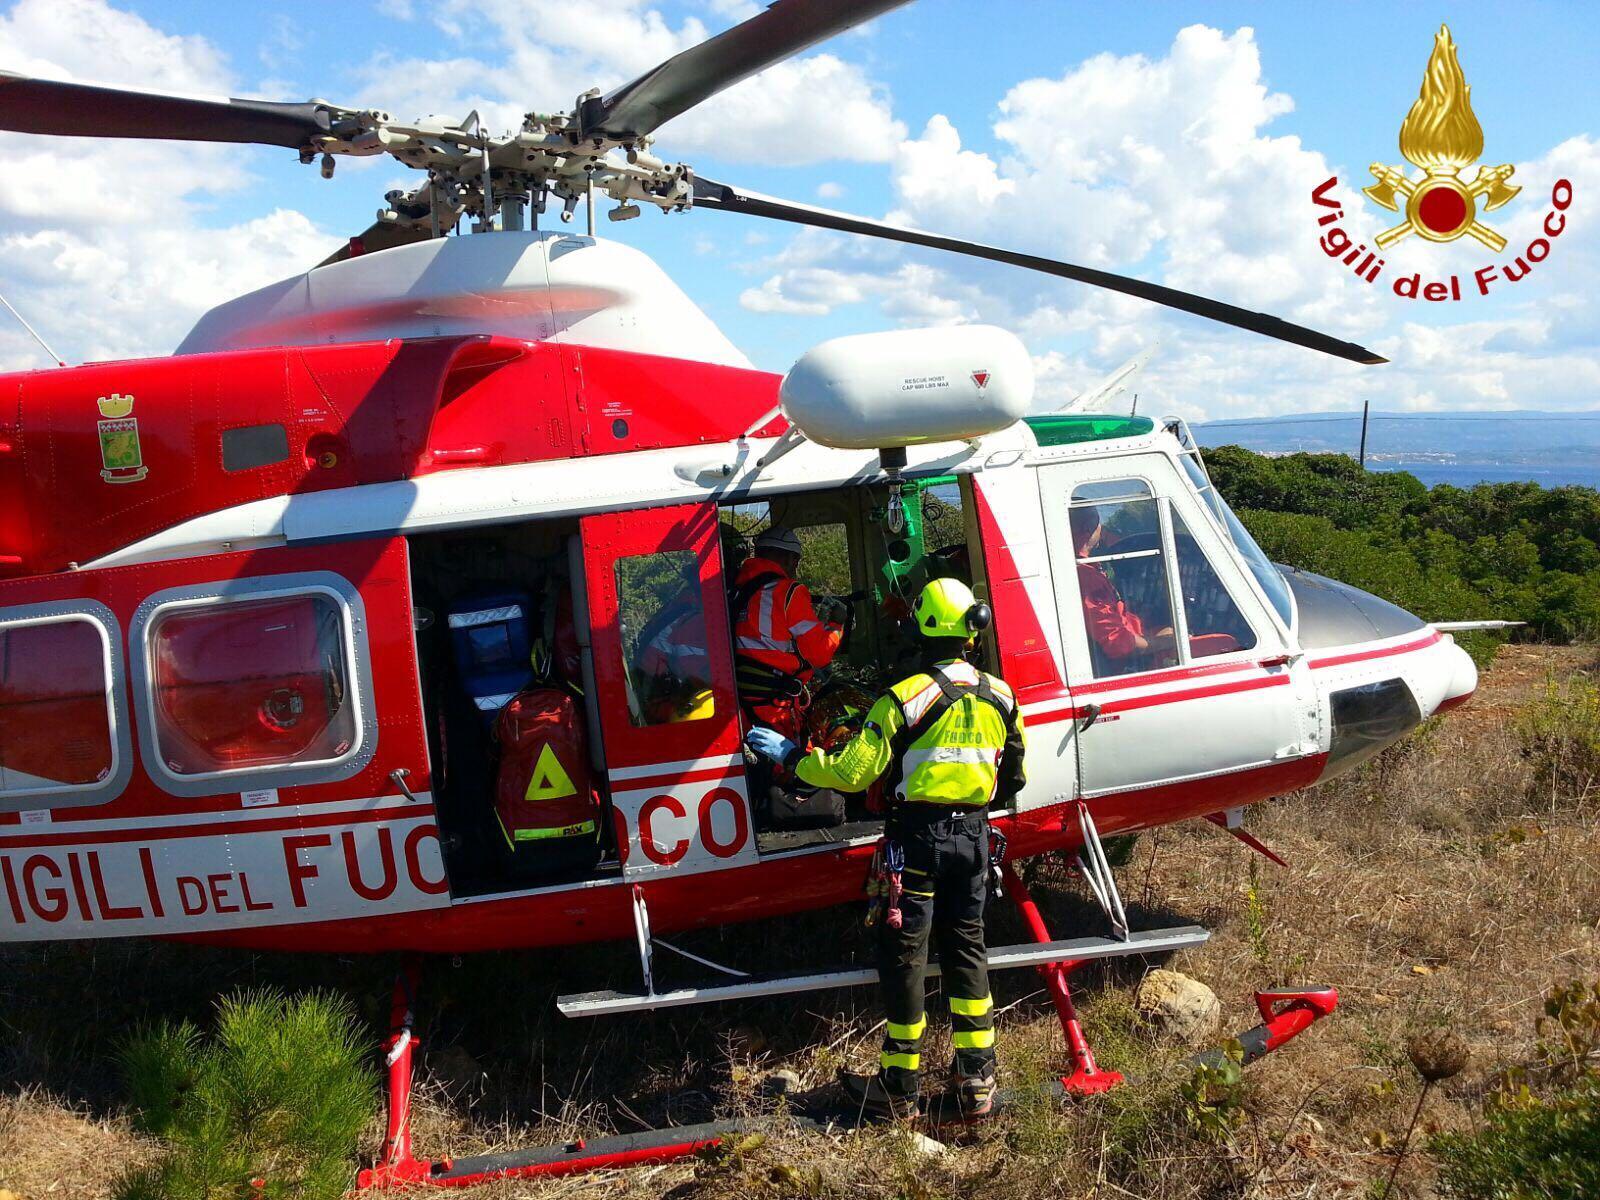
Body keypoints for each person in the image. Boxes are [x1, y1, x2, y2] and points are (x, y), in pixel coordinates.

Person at [746, 578, 1026, 1120]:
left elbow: (853, 774)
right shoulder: (1002, 695)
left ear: (920, 629)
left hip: (917, 841)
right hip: (973, 837)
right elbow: (1014, 777)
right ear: (972, 630)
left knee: (906, 957)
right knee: (968, 946)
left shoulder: (903, 698)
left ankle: (900, 1082)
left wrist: (792, 757)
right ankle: (977, 1077)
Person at [731, 526, 844, 738]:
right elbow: (820, 654)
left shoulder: (734, 591)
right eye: (795, 560)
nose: (795, 567)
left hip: (742, 707)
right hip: (776, 709)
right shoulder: (788, 591)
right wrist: (836, 625)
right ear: (787, 557)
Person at [1070, 504, 1176, 666]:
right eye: (1099, 524)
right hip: (1124, 661)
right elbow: (1118, 643)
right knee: (1209, 642)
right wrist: (1168, 642)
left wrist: (1137, 614)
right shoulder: (1088, 578)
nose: (1101, 528)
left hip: (1133, 633)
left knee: (1168, 631)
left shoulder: (1084, 569)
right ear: (1087, 529)